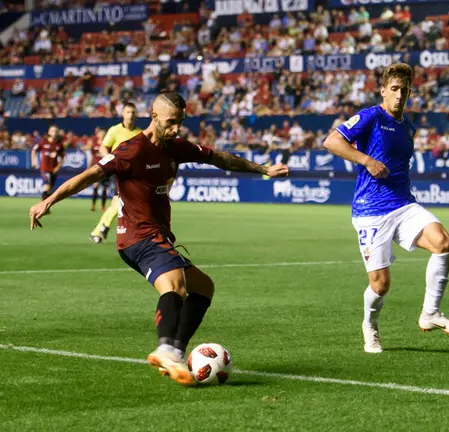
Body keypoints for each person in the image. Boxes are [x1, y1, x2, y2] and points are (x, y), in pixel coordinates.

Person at [28, 92, 288, 384]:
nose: (176, 129)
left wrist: (263, 169)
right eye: (171, 122)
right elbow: (89, 176)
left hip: (155, 236)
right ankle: (166, 349)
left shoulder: (175, 147)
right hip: (138, 236)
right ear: (154, 117)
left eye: (181, 122)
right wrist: (48, 201)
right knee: (174, 286)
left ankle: (175, 351)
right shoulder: (132, 150)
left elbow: (219, 158)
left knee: (203, 288)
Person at [322, 63, 449, 354]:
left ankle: (430, 313)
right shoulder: (371, 116)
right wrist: (366, 161)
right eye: (394, 90)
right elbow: (332, 141)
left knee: (444, 243)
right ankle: (370, 325)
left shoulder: (407, 127)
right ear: (383, 91)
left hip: (403, 204)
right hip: (371, 210)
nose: (400, 95)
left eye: (405, 90)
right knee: (381, 285)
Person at [89, 102, 142, 243]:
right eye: (128, 112)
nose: (130, 115)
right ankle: (104, 228)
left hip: (133, 174)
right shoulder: (115, 130)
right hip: (119, 172)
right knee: (121, 202)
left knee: (118, 203)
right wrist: (111, 162)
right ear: (123, 114)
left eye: (133, 112)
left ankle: (99, 230)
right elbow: (103, 147)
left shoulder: (140, 133)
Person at [31, 125, 65, 201]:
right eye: (53, 130)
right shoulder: (43, 141)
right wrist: (33, 161)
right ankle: (43, 207)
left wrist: (57, 167)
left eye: (56, 131)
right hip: (44, 168)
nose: (54, 132)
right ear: (49, 132)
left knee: (50, 190)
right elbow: (34, 150)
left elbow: (62, 157)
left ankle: (46, 206)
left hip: (53, 170)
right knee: (46, 186)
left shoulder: (59, 145)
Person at [81, 127, 109, 212]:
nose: (101, 135)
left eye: (103, 134)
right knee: (95, 186)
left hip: (106, 169)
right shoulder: (95, 145)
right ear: (98, 135)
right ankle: (93, 205)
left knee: (104, 188)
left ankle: (103, 206)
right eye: (100, 134)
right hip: (96, 168)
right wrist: (88, 167)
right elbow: (92, 157)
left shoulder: (107, 145)